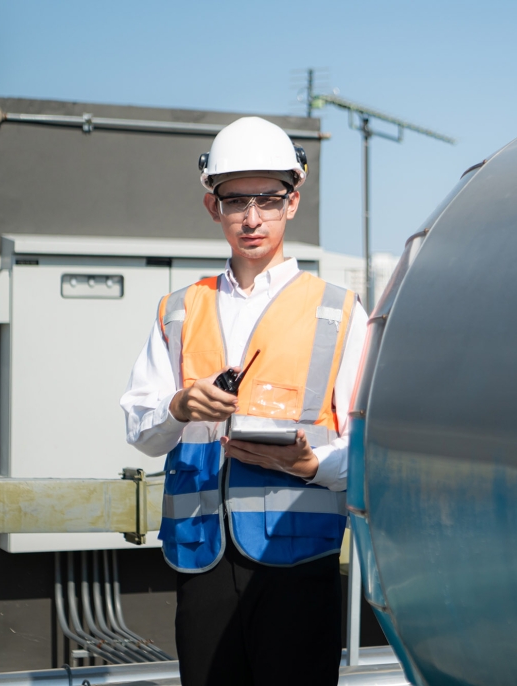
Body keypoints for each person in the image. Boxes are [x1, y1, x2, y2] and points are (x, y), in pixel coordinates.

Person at [120, 116, 367, 686]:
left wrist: (314, 465)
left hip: (297, 557)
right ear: (214, 208)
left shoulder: (338, 310)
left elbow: (369, 447)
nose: (252, 218)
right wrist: (180, 406)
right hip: (201, 558)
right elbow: (140, 427)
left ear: (293, 203)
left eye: (269, 199)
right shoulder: (180, 309)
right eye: (236, 201)